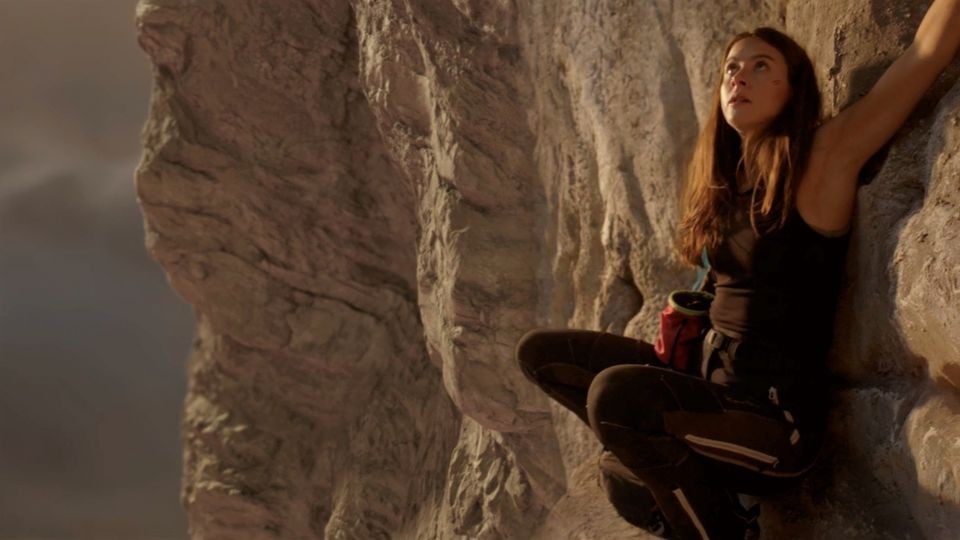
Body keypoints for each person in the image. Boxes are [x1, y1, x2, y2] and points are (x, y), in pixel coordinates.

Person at [516, 4, 960, 538]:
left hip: (774, 422)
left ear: (792, 90)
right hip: (709, 387)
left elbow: (924, 55)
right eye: (731, 67)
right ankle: (708, 490)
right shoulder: (727, 186)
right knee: (543, 356)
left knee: (616, 399)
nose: (739, 77)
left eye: (760, 66)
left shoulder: (818, 160)